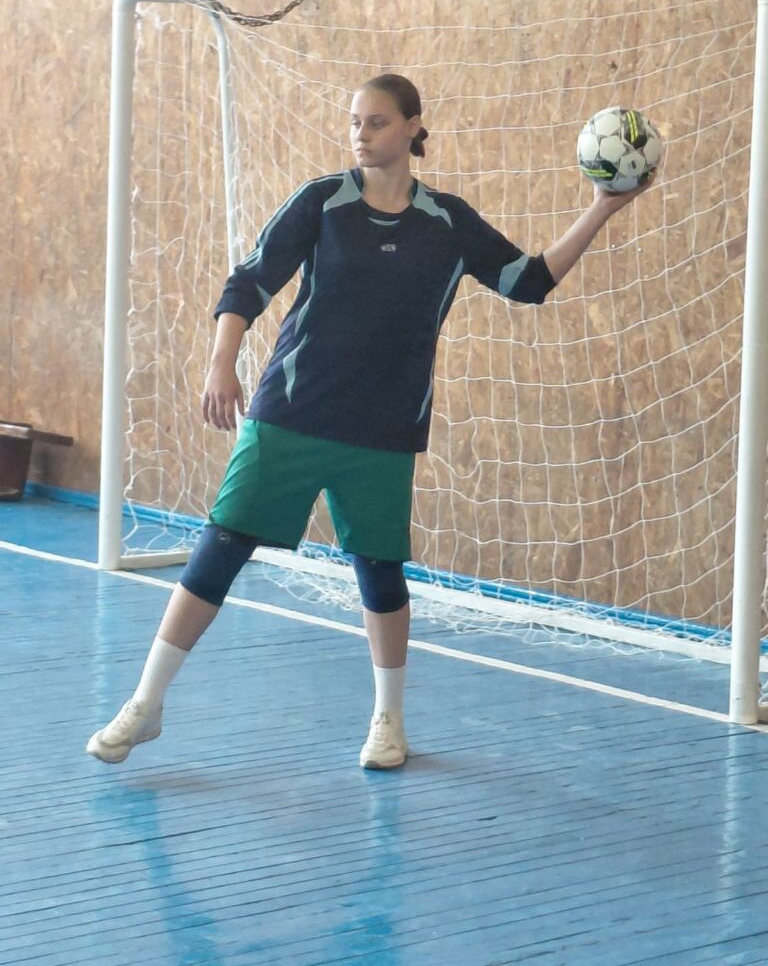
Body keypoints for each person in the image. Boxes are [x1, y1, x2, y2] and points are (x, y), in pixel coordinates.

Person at [86, 74, 652, 770]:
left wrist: (601, 208)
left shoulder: (448, 222)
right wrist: (221, 362)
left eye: (377, 122)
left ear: (413, 127)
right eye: (355, 121)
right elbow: (250, 282)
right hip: (290, 413)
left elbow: (527, 281)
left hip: (383, 430)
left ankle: (389, 721)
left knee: (379, 571)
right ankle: (146, 703)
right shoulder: (322, 201)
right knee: (221, 546)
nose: (361, 133)